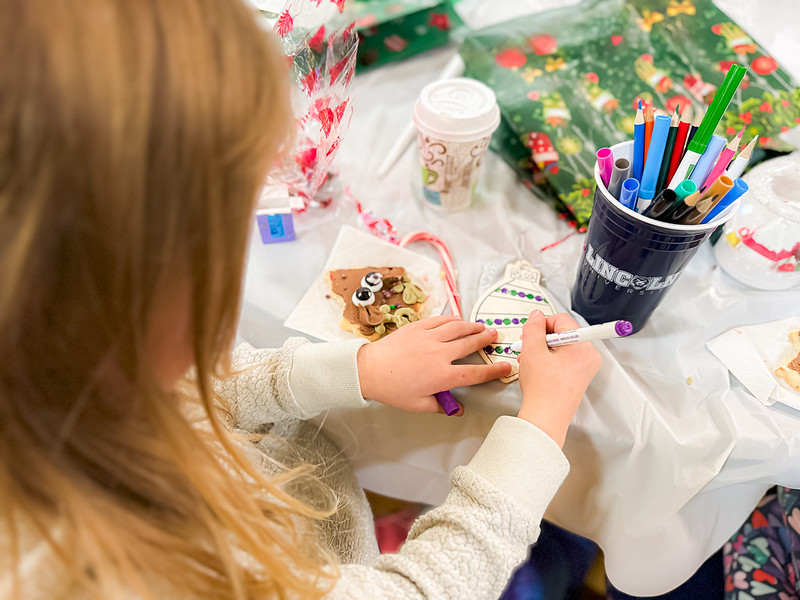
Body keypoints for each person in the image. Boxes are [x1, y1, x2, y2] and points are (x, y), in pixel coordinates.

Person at [0, 0, 602, 598]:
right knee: (574, 546)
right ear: (120, 286)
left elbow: (201, 389)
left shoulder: (65, 367)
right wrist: (543, 421)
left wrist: (359, 368)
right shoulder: (154, 575)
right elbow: (423, 591)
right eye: (229, 219)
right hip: (329, 546)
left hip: (301, 504)